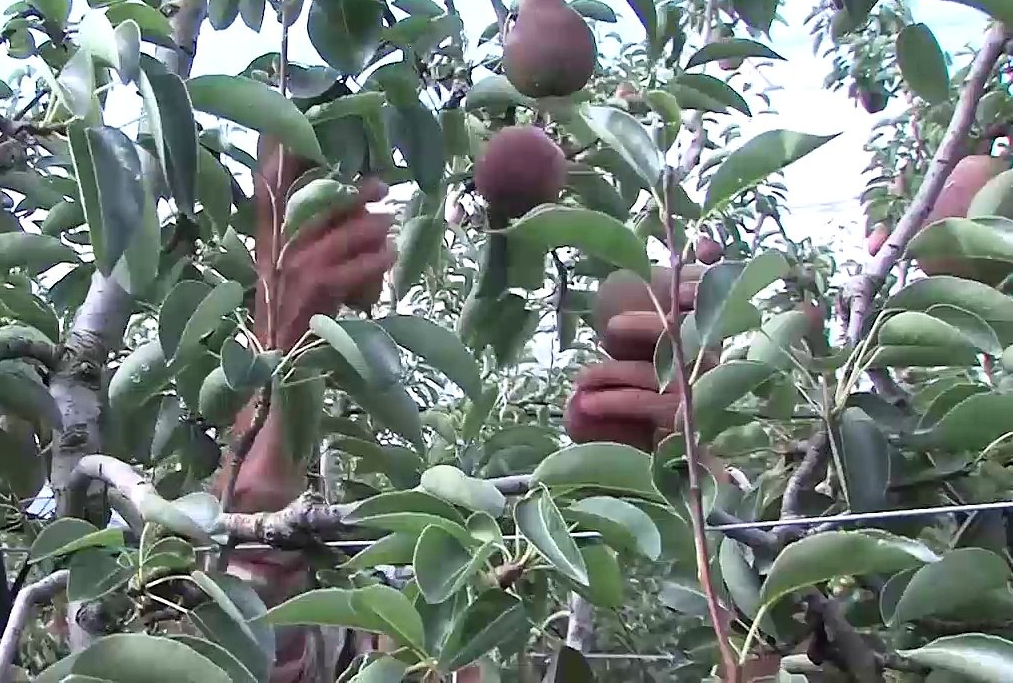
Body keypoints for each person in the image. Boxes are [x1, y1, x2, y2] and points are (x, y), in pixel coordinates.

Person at [214, 136, 712, 680]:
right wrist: (275, 364)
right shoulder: (388, 631)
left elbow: (254, 634)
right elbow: (248, 643)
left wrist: (659, 493)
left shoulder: (394, 631)